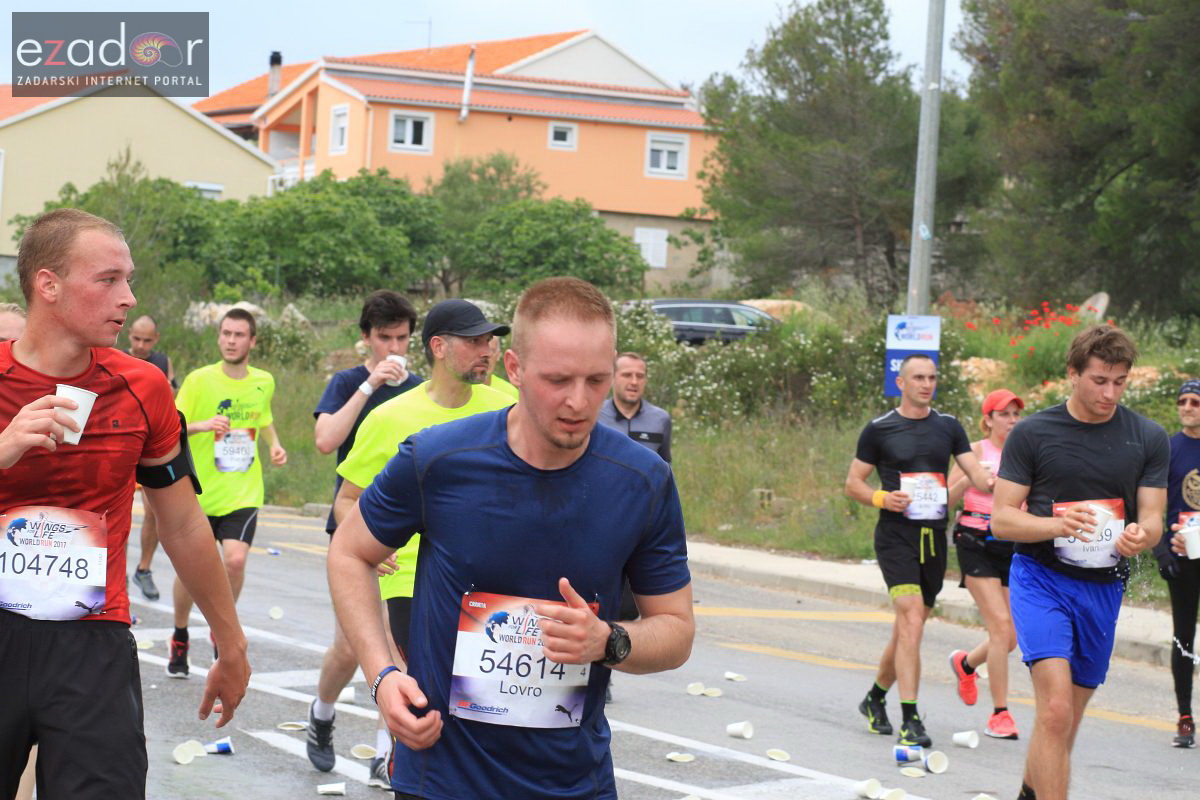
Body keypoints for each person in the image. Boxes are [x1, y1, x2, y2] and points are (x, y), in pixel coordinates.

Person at [327, 277, 694, 800]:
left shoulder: (642, 480)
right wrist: (382, 675)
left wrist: (608, 641)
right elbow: (349, 552)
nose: (578, 401)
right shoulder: (439, 459)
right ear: (515, 369)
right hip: (442, 777)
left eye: (596, 380)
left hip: (573, 782)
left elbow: (677, 630)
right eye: (558, 379)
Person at [0, 208, 249, 799]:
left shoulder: (143, 387)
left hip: (92, 639)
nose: (129, 297)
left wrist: (230, 642)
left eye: (128, 279)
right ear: (48, 284)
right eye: (109, 279)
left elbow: (183, 523)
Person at [317, 299, 514, 784]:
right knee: (421, 691)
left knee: (483, 700)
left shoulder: (508, 405)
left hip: (488, 583)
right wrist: (369, 547)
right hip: (408, 580)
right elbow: (348, 501)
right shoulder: (391, 417)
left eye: (490, 340)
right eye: (474, 340)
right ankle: (396, 762)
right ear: (439, 347)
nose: (486, 349)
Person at [992, 324, 1168, 800]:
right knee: (1054, 711)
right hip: (1041, 579)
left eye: (1120, 382)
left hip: (1103, 588)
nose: (1109, 392)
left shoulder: (1147, 437)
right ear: (1072, 374)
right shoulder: (1033, 433)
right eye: (1098, 380)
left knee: (1065, 721)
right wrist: (1054, 526)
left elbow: (1152, 519)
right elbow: (1002, 520)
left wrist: (1140, 536)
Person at [845, 353, 993, 748]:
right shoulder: (879, 429)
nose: (927, 384)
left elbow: (972, 471)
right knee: (910, 619)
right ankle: (911, 718)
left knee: (909, 629)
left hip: (934, 539)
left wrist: (991, 479)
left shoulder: (947, 426)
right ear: (902, 383)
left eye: (932, 378)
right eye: (919, 378)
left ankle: (875, 698)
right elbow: (853, 483)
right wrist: (880, 497)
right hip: (896, 537)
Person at [308, 290, 423, 785]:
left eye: (402, 338)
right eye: (384, 339)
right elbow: (325, 440)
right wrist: (370, 384)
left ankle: (383, 753)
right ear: (366, 339)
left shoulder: (421, 391)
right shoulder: (348, 382)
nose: (393, 348)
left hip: (407, 539)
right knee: (351, 648)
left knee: (396, 649)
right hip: (353, 531)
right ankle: (322, 711)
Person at [168, 307, 286, 677]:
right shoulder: (200, 381)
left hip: (243, 491)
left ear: (252, 341)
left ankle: (222, 628)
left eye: (239, 335)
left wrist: (275, 445)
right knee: (192, 572)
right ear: (219, 337)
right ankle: (180, 632)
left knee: (234, 561)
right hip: (200, 493)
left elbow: (262, 418)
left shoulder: (263, 381)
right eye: (226, 333)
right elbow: (170, 425)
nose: (231, 340)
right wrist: (203, 425)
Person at [945, 388, 1025, 740]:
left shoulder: (1024, 453)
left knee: (1010, 638)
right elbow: (945, 499)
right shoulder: (974, 451)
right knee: (1000, 626)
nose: (1010, 421)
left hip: (1011, 543)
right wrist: (974, 476)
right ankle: (1000, 714)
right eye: (1003, 414)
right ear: (988, 419)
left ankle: (965, 664)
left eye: (1015, 414)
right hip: (974, 539)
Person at [1153, 379, 1200, 748]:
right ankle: (1185, 715)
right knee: (1183, 634)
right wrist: (1161, 552)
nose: (1187, 407)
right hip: (1181, 559)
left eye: (1195, 402)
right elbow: (1154, 506)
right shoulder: (1169, 449)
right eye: (1182, 401)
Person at [123, 314, 177, 602]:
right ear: (129, 335)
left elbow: (171, 399)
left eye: (147, 340)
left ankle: (143, 568)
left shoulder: (162, 361)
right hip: (121, 441)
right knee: (114, 510)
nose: (141, 345)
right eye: (136, 339)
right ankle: (116, 570)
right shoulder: (115, 357)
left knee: (154, 512)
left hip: (149, 444)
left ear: (155, 339)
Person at [598, 351, 672, 464]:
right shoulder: (596, 415)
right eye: (627, 375)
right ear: (612, 378)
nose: (634, 382)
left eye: (640, 376)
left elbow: (665, 466)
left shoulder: (661, 419)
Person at [483, 334, 519, 401]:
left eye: (491, 351)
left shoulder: (511, 393)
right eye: (481, 350)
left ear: (498, 355)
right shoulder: (460, 392)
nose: (486, 357)